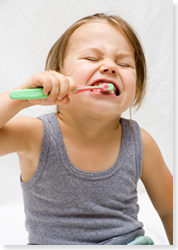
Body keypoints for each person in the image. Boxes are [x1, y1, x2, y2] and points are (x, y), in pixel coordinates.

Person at [0, 13, 173, 245]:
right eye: (92, 58)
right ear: (57, 76)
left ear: (137, 88)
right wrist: (20, 97)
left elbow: (171, 209)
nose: (110, 67)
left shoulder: (140, 142)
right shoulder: (35, 135)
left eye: (124, 64)